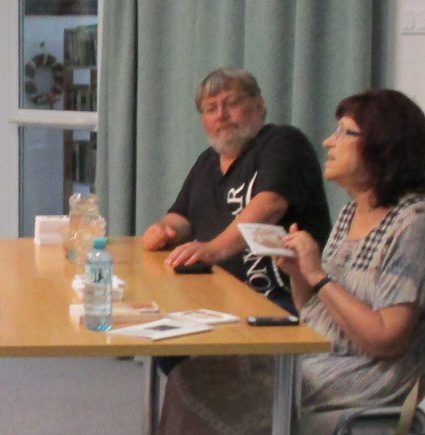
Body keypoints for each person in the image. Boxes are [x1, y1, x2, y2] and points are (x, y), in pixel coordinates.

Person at [34, 88, 425, 435]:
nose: (330, 142)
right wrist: (297, 271)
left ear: (383, 144)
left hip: (364, 369)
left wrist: (317, 274)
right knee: (198, 378)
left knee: (232, 399)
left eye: (345, 133)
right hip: (318, 345)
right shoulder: (355, 209)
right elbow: (314, 310)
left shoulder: (413, 220)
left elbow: (387, 340)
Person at [141, 69, 332, 305]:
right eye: (211, 108)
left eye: (231, 103)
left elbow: (269, 206)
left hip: (282, 296)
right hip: (219, 291)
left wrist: (212, 249)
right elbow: (181, 217)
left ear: (258, 105)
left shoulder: (283, 142)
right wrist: (164, 230)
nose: (221, 115)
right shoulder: (206, 161)